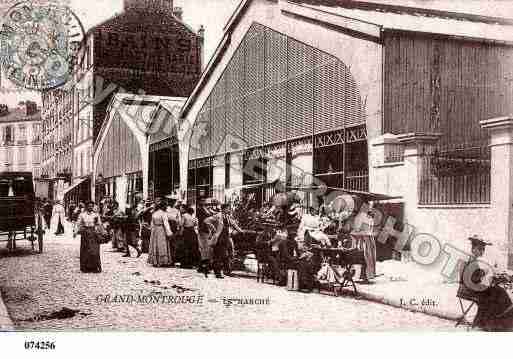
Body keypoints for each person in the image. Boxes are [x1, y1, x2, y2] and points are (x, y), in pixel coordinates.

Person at [458, 235, 513, 331]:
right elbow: (467, 279)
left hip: (472, 288)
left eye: (483, 249)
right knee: (497, 293)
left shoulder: (472, 259)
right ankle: (493, 322)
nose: (482, 251)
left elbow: (477, 277)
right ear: (474, 248)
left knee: (498, 291)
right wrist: (490, 278)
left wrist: (492, 276)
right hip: (467, 290)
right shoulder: (467, 259)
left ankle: (493, 321)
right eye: (480, 249)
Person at [205, 204, 243, 279]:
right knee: (219, 255)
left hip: (226, 238)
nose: (229, 210)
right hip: (219, 238)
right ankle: (217, 272)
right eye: (228, 209)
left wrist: (240, 231)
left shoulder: (228, 217)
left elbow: (234, 224)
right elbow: (206, 221)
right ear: (224, 209)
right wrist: (212, 228)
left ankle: (218, 270)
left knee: (225, 255)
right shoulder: (217, 216)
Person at [77, 201, 102, 273]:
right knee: (85, 250)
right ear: (86, 207)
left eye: (92, 206)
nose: (90, 207)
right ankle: (85, 267)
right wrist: (78, 231)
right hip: (85, 233)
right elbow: (79, 224)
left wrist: (98, 231)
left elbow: (99, 224)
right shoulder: (82, 215)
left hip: (94, 233)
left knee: (94, 250)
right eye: (89, 206)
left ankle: (95, 267)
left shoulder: (96, 215)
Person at [148, 197, 173, 267]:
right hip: (161, 229)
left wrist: (152, 230)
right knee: (162, 244)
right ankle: (162, 261)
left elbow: (152, 223)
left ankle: (155, 261)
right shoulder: (163, 213)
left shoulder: (154, 213)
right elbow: (166, 224)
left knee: (155, 244)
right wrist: (169, 232)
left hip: (155, 229)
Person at [196, 198, 213, 276]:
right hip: (203, 230)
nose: (204, 202)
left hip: (206, 230)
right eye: (202, 201)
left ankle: (203, 266)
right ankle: (203, 267)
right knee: (204, 249)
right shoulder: (200, 210)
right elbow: (205, 218)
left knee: (207, 249)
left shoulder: (205, 209)